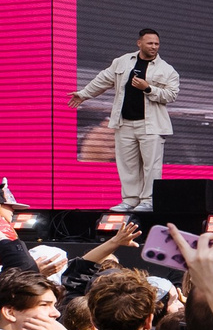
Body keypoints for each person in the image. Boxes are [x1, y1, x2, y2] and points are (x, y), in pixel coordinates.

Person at [72, 28, 181, 211]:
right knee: (127, 164)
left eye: (156, 44)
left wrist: (148, 88)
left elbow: (171, 95)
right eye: (150, 43)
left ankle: (148, 200)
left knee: (151, 165)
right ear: (139, 43)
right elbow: (103, 79)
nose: (154, 47)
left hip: (151, 125)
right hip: (125, 122)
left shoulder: (167, 70)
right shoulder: (122, 61)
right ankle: (130, 199)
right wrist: (84, 94)